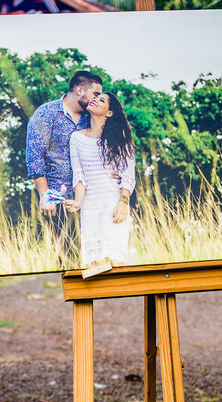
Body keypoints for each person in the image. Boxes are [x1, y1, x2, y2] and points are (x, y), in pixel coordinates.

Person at [25, 70, 104, 265]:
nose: (98, 99)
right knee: (65, 259)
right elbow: (35, 157)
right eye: (95, 94)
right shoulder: (46, 113)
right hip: (58, 202)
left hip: (89, 199)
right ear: (79, 90)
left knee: (93, 257)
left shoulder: (93, 117)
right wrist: (46, 196)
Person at [63, 92, 136, 274]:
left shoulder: (120, 137)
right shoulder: (76, 138)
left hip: (113, 201)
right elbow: (79, 175)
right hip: (90, 206)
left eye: (101, 100)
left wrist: (123, 202)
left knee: (115, 260)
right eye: (95, 98)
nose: (95, 100)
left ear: (110, 112)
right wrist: (78, 202)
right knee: (95, 267)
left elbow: (128, 173)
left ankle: (126, 299)